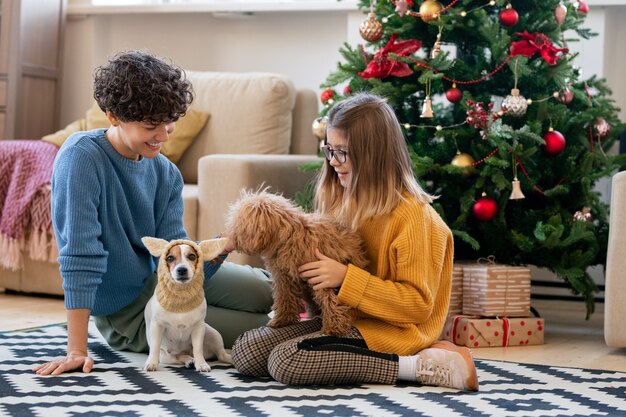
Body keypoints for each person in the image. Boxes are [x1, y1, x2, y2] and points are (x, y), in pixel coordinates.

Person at [33, 50, 272, 376]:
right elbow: (80, 254)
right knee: (261, 330)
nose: (162, 135)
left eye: (169, 124)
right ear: (113, 116)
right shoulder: (81, 158)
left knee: (266, 290)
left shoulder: (166, 173)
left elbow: (178, 261)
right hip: (131, 313)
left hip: (169, 284)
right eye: (150, 125)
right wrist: (76, 349)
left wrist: (220, 247)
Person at [229, 92, 478, 391]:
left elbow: (418, 306)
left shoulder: (414, 217)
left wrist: (346, 278)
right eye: (329, 150)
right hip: (346, 320)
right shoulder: (339, 199)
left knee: (288, 362)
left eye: (343, 152)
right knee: (247, 352)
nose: (333, 162)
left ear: (374, 156)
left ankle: (421, 366)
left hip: (396, 330)